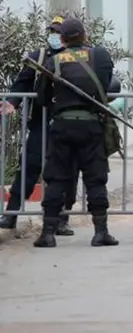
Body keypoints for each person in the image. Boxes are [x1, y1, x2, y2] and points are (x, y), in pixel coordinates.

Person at [32, 17, 118, 248]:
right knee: (95, 179)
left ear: (61, 39)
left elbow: (41, 98)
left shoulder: (54, 62)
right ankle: (101, 232)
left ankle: (48, 234)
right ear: (85, 36)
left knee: (56, 178)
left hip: (62, 127)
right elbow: (109, 84)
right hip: (91, 126)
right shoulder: (99, 56)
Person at [0, 16, 77, 234]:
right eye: (52, 31)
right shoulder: (38, 57)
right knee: (29, 165)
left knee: (67, 170)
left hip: (68, 122)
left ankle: (61, 219)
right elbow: (21, 83)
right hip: (42, 121)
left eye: (58, 32)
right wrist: (12, 102)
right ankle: (11, 213)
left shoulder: (77, 58)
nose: (54, 35)